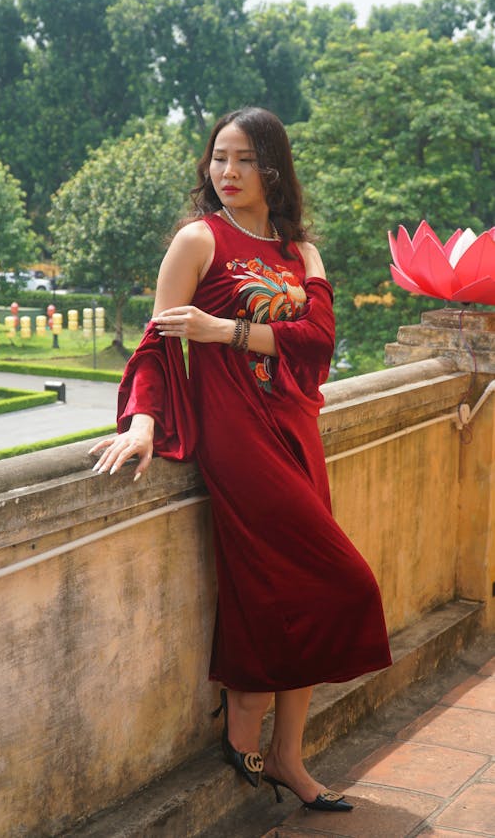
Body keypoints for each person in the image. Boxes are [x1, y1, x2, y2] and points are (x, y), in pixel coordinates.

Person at [90, 107, 392, 813]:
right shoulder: (198, 240)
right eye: (218, 157)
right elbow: (159, 345)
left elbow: (317, 341)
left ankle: (284, 751)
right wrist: (142, 424)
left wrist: (231, 324)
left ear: (274, 170)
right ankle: (247, 713)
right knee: (341, 579)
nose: (226, 172)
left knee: (295, 586)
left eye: (245, 160)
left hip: (296, 430)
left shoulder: (296, 251)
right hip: (238, 438)